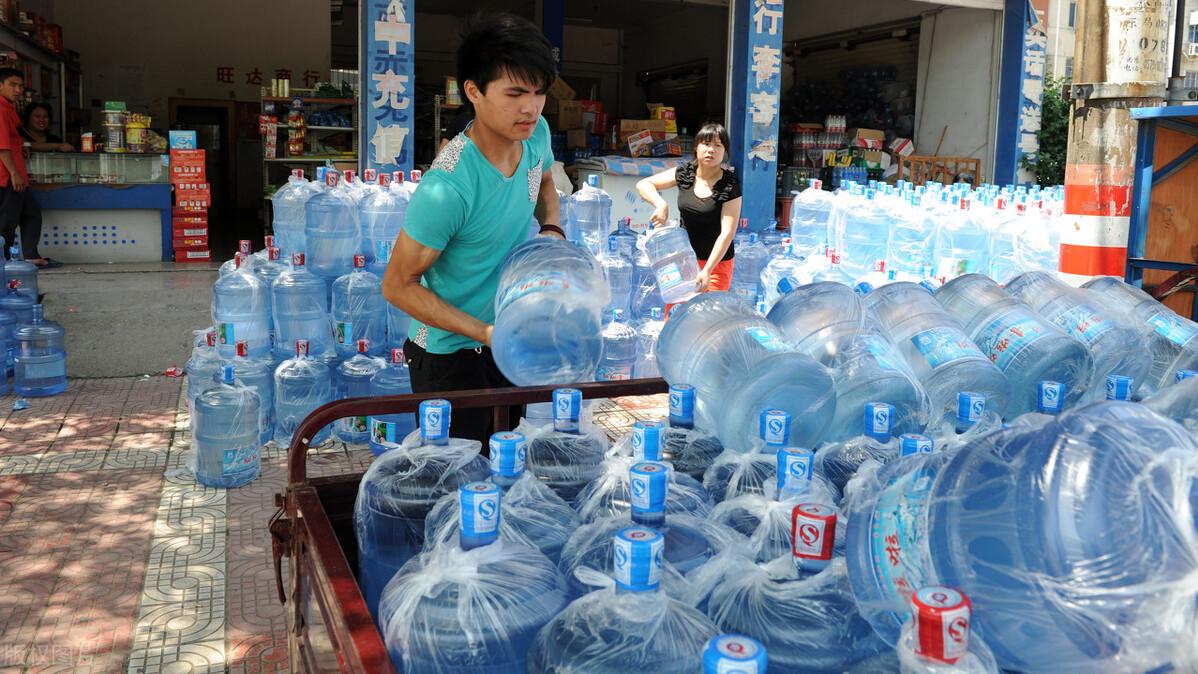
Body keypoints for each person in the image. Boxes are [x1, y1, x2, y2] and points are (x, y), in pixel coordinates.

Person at [381, 13, 561, 447]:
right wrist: (483, 332)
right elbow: (397, 286)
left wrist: (551, 227)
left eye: (539, 93)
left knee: (505, 457)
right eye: (516, 93)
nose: (530, 108)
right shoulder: (447, 187)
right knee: (457, 478)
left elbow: (547, 179)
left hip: (507, 336)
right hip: (447, 353)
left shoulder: (535, 136)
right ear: (474, 92)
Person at [636, 122, 742, 293]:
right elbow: (644, 184)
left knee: (705, 316)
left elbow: (727, 233)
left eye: (718, 145)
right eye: (706, 144)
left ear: (725, 152)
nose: (711, 150)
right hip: (683, 261)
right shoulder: (685, 173)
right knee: (676, 314)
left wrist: (707, 270)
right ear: (696, 147)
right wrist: (660, 204)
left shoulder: (729, 185)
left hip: (716, 265)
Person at [0, 68, 57, 268]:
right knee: (7, 222)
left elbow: (11, 140)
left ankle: (31, 255)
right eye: (12, 85)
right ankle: (4, 263)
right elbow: (2, 145)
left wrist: (20, 145)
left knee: (31, 214)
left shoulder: (9, 107)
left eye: (20, 86)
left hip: (16, 175)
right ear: (0, 85)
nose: (18, 90)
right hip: (7, 177)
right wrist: (14, 173)